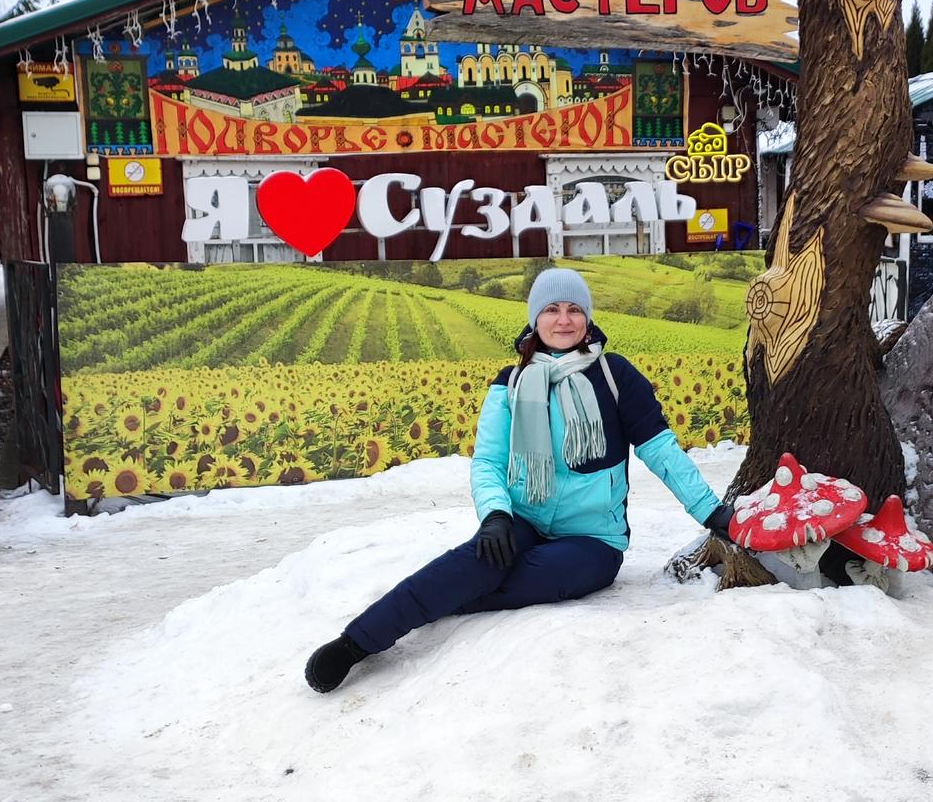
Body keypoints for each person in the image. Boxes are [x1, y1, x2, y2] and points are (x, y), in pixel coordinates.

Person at [305, 268, 735, 693]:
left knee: (488, 575)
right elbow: (489, 462)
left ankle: (436, 596)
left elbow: (659, 450)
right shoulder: (509, 385)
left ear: (587, 318)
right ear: (534, 318)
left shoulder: (615, 376)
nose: (563, 320)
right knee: (479, 558)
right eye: (551, 309)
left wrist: (709, 510)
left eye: (574, 309)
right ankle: (355, 643)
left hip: (593, 540)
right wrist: (495, 516)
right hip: (523, 517)